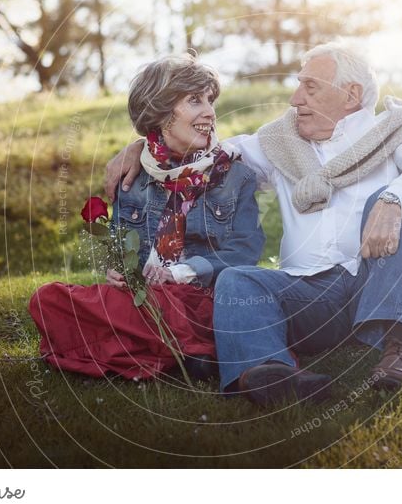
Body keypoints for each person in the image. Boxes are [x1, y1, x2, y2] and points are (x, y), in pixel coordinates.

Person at [105, 43, 402, 404]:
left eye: (310, 87)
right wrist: (140, 146)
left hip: (390, 282)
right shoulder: (281, 142)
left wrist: (393, 200)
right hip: (316, 297)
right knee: (237, 279)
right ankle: (266, 373)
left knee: (397, 207)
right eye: (297, 85)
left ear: (350, 95)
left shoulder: (396, 129)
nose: (295, 98)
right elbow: (207, 155)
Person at [29, 54, 265, 382]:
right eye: (195, 100)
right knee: (48, 299)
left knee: (181, 307)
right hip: (145, 299)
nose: (210, 111)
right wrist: (119, 271)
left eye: (210, 100)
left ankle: (165, 348)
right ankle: (188, 351)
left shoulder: (235, 175)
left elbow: (245, 253)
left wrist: (178, 273)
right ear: (160, 111)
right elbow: (121, 244)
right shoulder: (132, 177)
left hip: (203, 298)